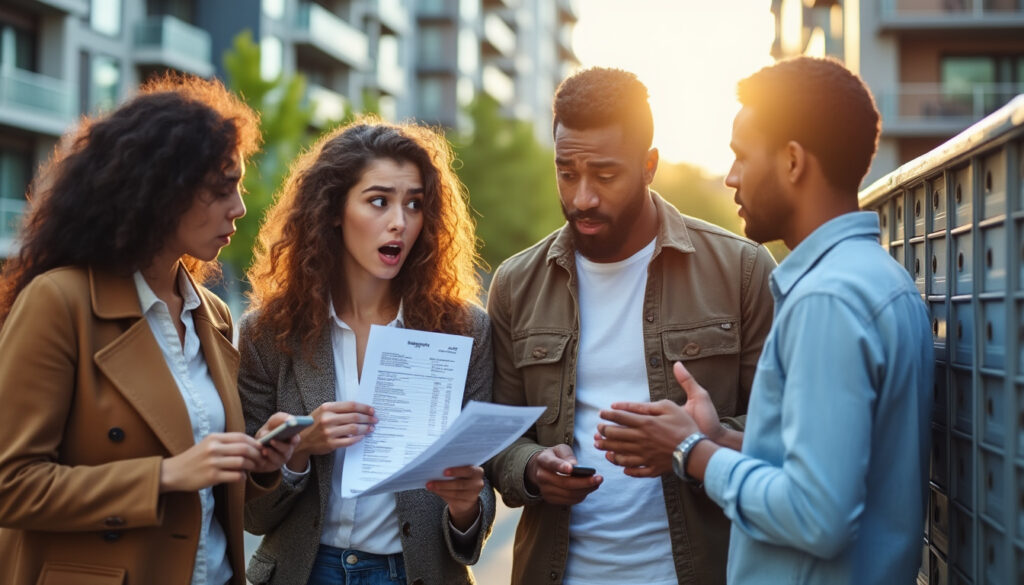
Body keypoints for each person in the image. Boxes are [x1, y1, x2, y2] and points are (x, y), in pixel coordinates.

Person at [596, 56, 933, 585]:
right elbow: (838, 468)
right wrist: (723, 439)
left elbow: (817, 517)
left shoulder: (829, 301)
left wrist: (689, 451)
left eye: (741, 157)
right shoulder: (878, 279)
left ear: (793, 161)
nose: (730, 177)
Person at [0, 75, 297, 585]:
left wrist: (260, 459)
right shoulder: (60, 302)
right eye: (222, 189)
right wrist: (163, 477)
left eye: (239, 188)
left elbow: (206, 491)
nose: (240, 208)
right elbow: (11, 485)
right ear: (160, 190)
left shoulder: (212, 313)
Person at [485, 67, 777, 585]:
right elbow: (500, 437)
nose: (582, 198)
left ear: (648, 166)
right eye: (566, 172)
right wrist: (532, 467)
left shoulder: (742, 271)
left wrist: (694, 443)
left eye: (604, 174)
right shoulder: (516, 284)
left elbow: (787, 435)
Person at [238, 118, 495, 585]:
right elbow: (251, 516)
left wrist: (464, 506)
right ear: (334, 209)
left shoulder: (464, 330)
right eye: (379, 201)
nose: (400, 221)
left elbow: (478, 508)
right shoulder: (268, 333)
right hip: (304, 572)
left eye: (414, 204)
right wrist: (298, 453)